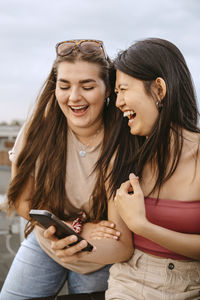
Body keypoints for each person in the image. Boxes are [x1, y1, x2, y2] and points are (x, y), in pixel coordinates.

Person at [0, 39, 133, 300]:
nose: (74, 97)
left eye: (87, 86)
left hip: (100, 257)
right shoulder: (38, 130)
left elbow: (121, 244)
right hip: (46, 243)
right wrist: (74, 229)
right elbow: (21, 200)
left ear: (108, 90)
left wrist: (80, 243)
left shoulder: (123, 139)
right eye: (64, 86)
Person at [101, 38, 200, 299]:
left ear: (158, 89)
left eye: (123, 89)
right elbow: (119, 247)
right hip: (130, 282)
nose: (119, 102)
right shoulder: (121, 158)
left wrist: (143, 226)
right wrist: (73, 240)